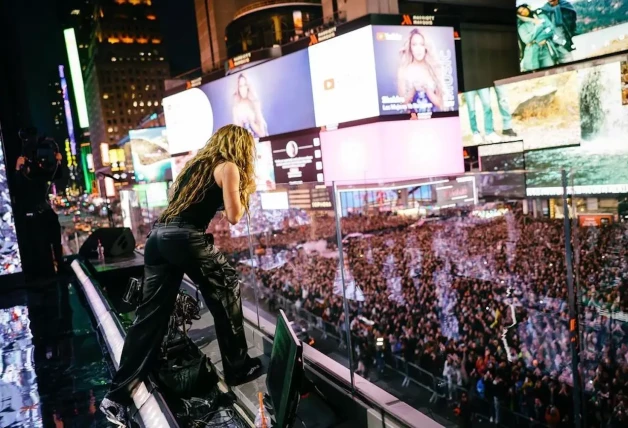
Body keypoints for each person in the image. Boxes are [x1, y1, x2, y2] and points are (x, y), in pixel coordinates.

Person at [100, 125, 263, 426]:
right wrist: (245, 187)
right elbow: (234, 215)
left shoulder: (194, 166)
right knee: (226, 287)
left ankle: (114, 397)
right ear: (240, 147)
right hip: (185, 237)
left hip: (157, 238)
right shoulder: (228, 167)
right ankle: (238, 367)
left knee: (149, 317)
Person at [14, 131, 64, 280]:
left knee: (55, 235)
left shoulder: (38, 168)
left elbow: (54, 174)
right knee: (41, 246)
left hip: (45, 211)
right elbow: (17, 187)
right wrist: (18, 168)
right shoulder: (23, 170)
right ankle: (47, 273)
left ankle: (60, 266)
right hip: (33, 215)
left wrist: (58, 161)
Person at [397, 28, 445, 113]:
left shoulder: (434, 68)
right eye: (414, 45)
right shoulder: (404, 70)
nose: (418, 49)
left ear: (426, 47)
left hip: (434, 120)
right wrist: (413, 89)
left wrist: (427, 89)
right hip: (411, 122)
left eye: (422, 44)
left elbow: (441, 104)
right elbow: (402, 104)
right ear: (410, 47)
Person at [517, 4, 569, 71]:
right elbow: (527, 40)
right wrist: (538, 27)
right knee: (535, 72)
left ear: (527, 8)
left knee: (550, 69)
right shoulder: (522, 27)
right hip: (532, 51)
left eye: (523, 9)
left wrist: (536, 39)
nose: (523, 12)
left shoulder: (542, 17)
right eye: (520, 12)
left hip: (545, 48)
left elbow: (550, 30)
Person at [232, 73, 268, 138]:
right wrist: (242, 124)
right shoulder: (236, 108)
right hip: (245, 145)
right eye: (240, 86)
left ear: (248, 86)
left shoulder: (255, 103)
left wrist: (251, 122)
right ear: (238, 88)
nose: (243, 88)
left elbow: (262, 133)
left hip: (259, 143)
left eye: (245, 85)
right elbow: (236, 136)